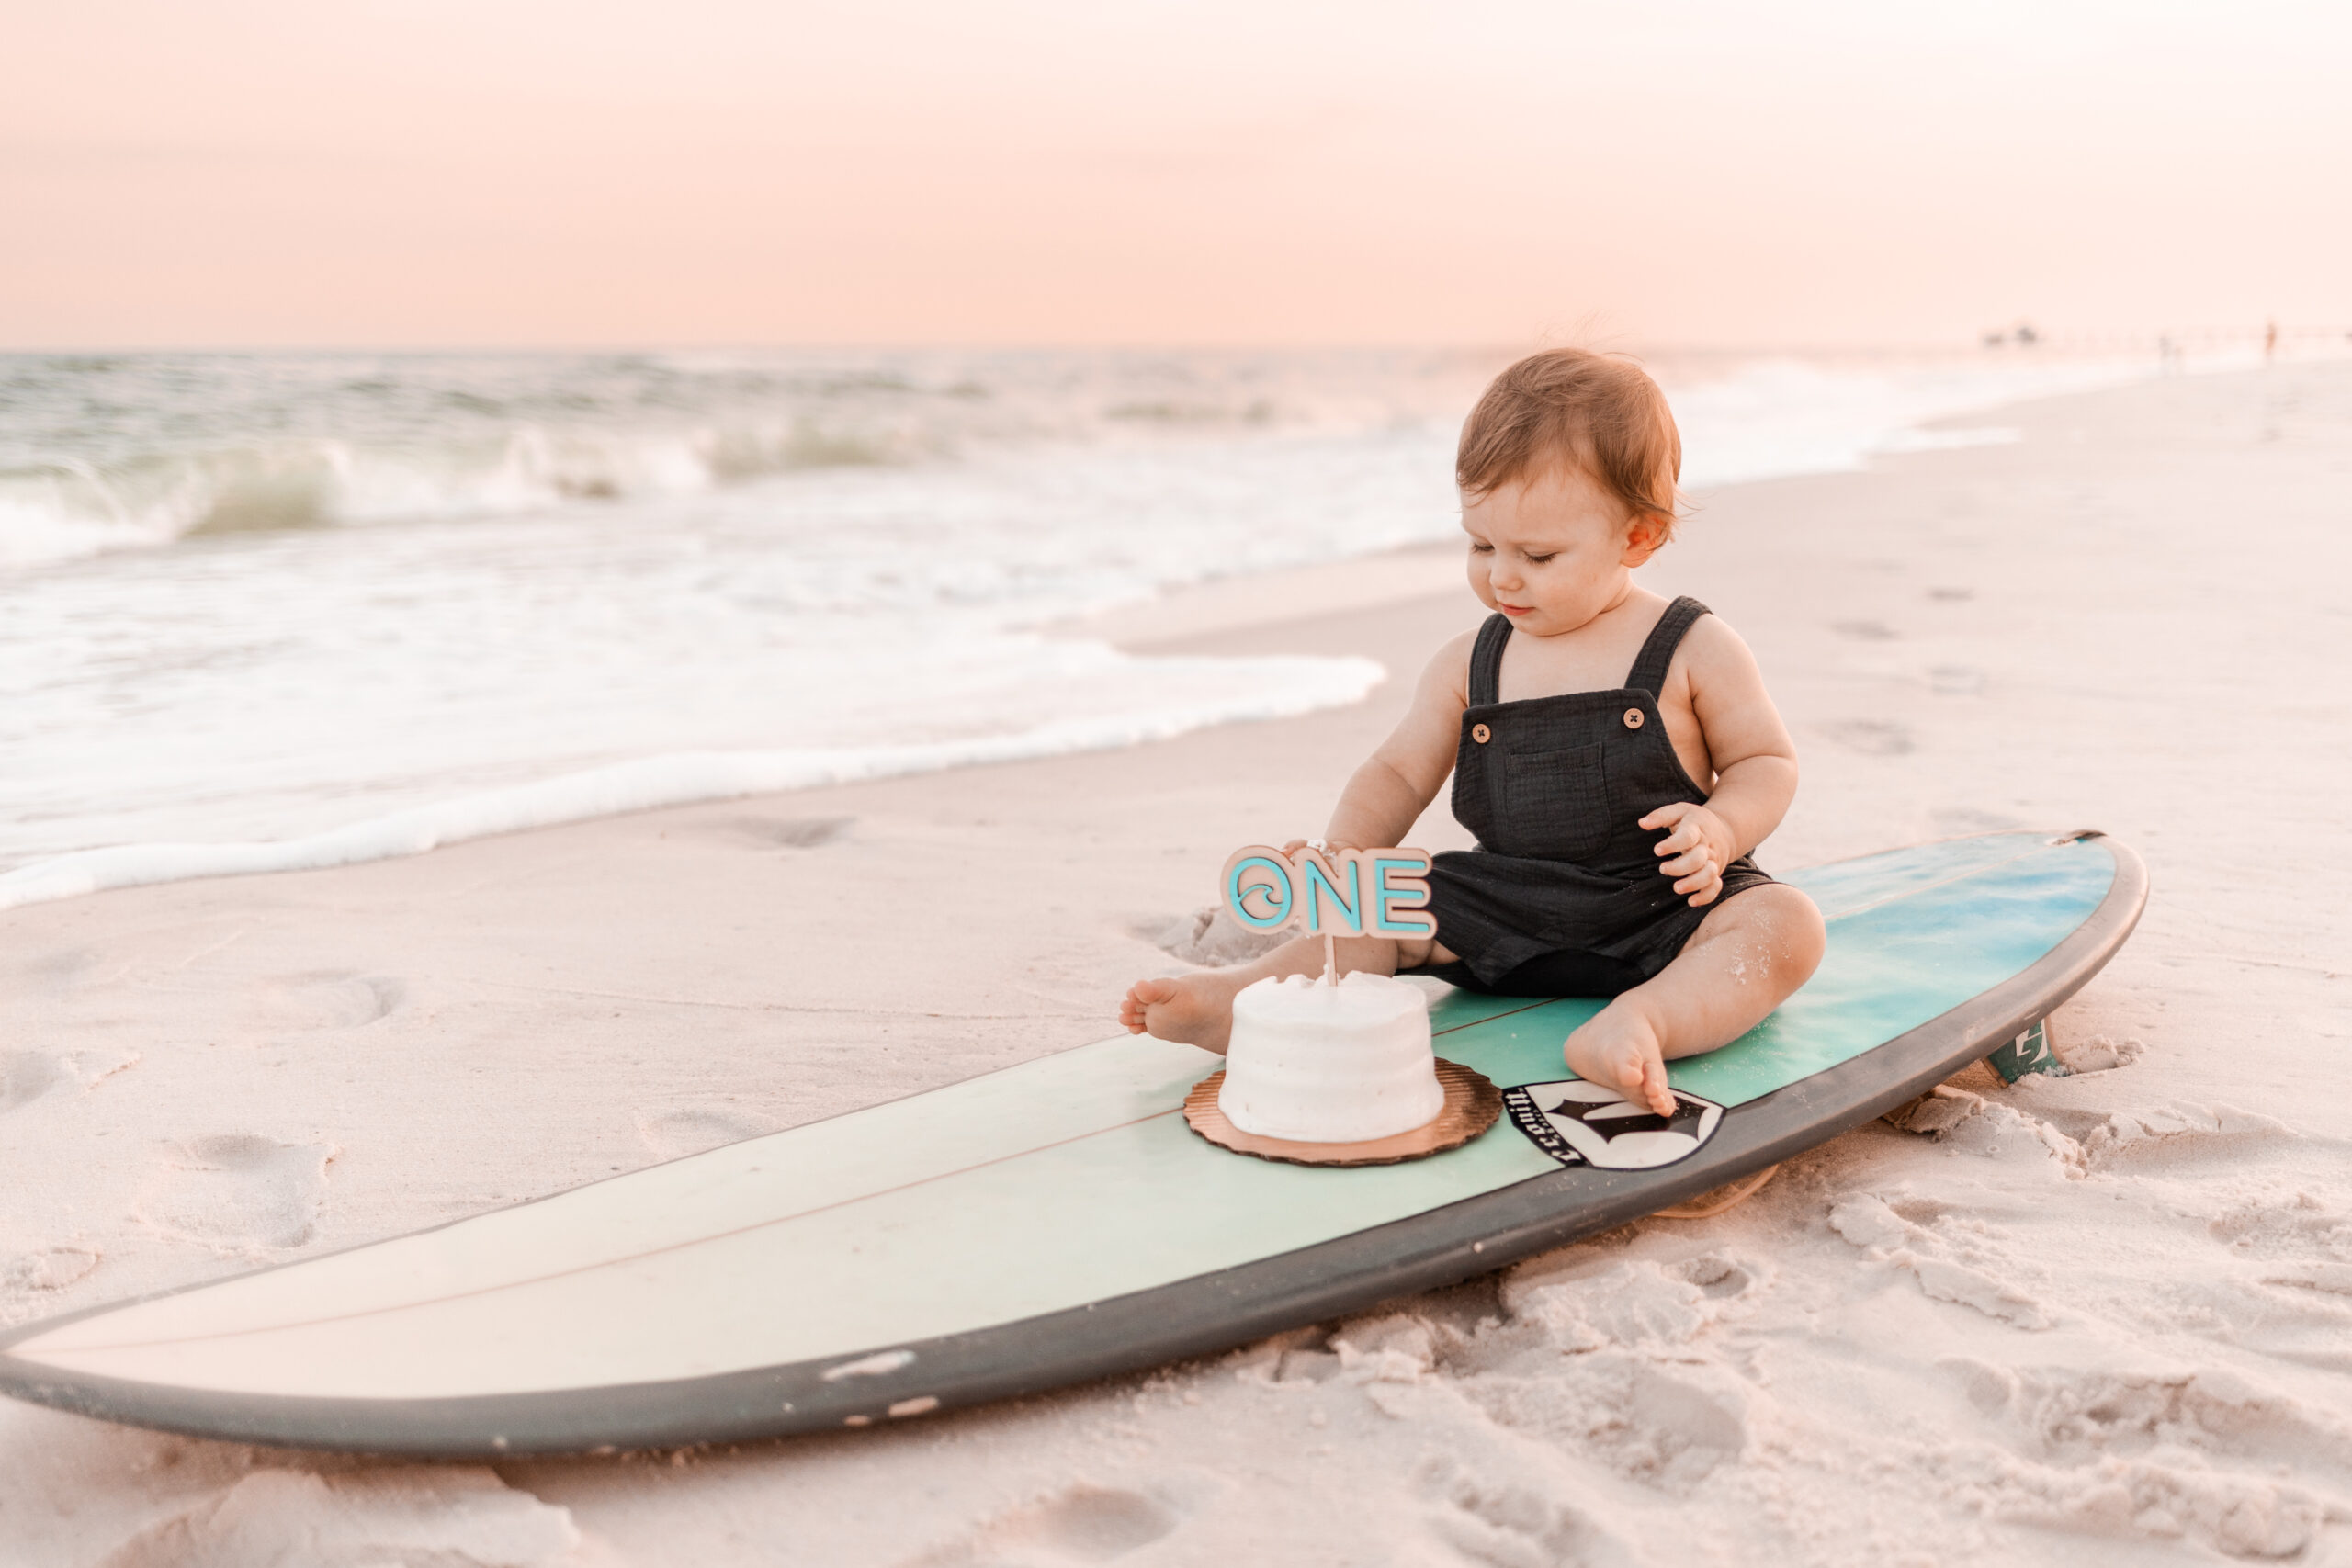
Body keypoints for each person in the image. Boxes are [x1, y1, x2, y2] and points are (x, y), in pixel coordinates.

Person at [1119, 349, 1826, 1116]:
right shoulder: (1469, 664)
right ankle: (1243, 1000)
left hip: (1664, 909)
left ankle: (1643, 1019)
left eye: (1538, 554)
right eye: (1481, 545)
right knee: (1385, 907)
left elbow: (1765, 760)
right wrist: (1344, 861)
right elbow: (1395, 772)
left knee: (1784, 926)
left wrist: (1720, 827)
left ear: (1638, 537)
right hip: (1507, 909)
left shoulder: (1692, 645)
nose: (1503, 577)